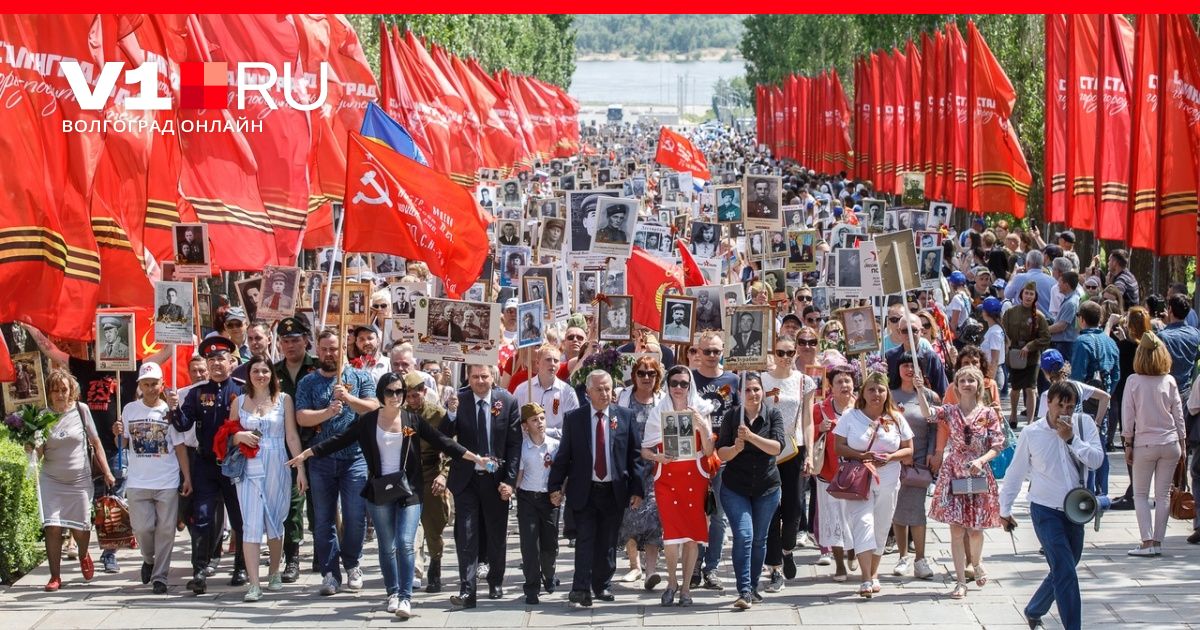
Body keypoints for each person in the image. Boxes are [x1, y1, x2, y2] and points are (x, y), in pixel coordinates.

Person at [288, 372, 487, 618]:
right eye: (390, 392)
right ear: (381, 394)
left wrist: (475, 457)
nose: (395, 396)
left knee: (405, 542)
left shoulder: (411, 420)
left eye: (399, 391)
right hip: (380, 490)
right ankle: (392, 592)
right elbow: (338, 440)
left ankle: (405, 597)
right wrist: (306, 455)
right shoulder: (368, 421)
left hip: (409, 489)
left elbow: (444, 442)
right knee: (386, 546)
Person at [999, 382, 1104, 630]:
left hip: (1076, 509)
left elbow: (1097, 460)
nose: (1064, 412)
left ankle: (1034, 608)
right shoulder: (1032, 432)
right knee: (1066, 571)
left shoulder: (1083, 425)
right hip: (1045, 509)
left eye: (1070, 406)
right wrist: (1005, 509)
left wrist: (1072, 440)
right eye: (1060, 406)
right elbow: (1015, 472)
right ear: (1049, 402)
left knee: (1065, 566)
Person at [548, 370, 645, 608]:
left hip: (614, 490)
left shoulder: (624, 416)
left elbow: (635, 455)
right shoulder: (575, 418)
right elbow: (564, 455)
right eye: (599, 389)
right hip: (585, 490)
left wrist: (637, 488)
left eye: (608, 389)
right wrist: (555, 485)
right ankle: (580, 588)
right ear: (588, 391)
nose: (604, 394)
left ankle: (601, 585)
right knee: (585, 540)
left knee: (607, 541)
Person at [294, 330, 380, 597]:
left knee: (355, 517)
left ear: (343, 347)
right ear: (317, 350)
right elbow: (301, 417)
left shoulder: (361, 376)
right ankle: (330, 572)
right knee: (323, 519)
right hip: (321, 459)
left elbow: (374, 407)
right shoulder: (309, 382)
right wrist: (327, 411)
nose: (329, 354)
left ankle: (352, 562)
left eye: (333, 348)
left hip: (354, 458)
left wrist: (349, 399)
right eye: (324, 349)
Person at [169, 336, 248, 593]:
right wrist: (173, 409)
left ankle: (241, 567)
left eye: (220, 359)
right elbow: (182, 425)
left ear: (231, 362)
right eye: (211, 359)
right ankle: (199, 571)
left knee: (238, 518)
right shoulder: (196, 392)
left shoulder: (241, 389)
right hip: (205, 464)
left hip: (234, 463)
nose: (215, 363)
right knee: (202, 517)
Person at [917, 366, 1004, 599]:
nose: (966, 384)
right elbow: (928, 414)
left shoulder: (988, 414)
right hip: (954, 472)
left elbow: (997, 444)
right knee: (956, 529)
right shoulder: (950, 411)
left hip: (977, 474)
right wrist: (919, 390)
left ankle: (976, 562)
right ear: (956, 386)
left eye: (971, 381)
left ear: (979, 386)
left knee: (975, 530)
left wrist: (981, 460)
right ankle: (960, 581)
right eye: (962, 380)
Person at [225, 356, 306, 601]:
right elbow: (227, 435)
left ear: (272, 375)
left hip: (277, 463)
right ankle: (254, 583)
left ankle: (273, 572)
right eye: (256, 371)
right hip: (248, 466)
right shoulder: (238, 401)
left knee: (275, 520)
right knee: (250, 524)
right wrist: (240, 436)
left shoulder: (284, 400)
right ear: (248, 375)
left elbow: (291, 436)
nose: (260, 375)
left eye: (265, 371)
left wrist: (300, 468)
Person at [441, 364, 521, 607]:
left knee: (496, 533)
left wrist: (509, 481)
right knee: (466, 533)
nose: (480, 381)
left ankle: (496, 581)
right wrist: (451, 414)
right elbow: (444, 439)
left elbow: (514, 445)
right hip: (466, 479)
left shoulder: (507, 401)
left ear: (493, 376)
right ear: (468, 377)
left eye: (484, 376)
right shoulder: (459, 399)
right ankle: (468, 589)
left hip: (495, 480)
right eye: (475, 376)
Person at [833, 371, 914, 598]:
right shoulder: (851, 416)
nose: (876, 394)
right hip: (859, 478)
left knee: (881, 526)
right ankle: (866, 578)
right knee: (863, 524)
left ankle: (874, 573)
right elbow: (839, 446)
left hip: (888, 479)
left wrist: (890, 457)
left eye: (880, 390)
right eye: (871, 390)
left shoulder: (896, 418)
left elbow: (909, 449)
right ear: (863, 393)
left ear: (887, 392)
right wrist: (861, 455)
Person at [640, 365, 716, 606]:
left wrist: (702, 426)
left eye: (684, 383)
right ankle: (671, 583)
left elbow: (708, 450)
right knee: (672, 535)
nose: (679, 388)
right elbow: (645, 450)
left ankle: (686, 589)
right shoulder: (658, 411)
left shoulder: (702, 409)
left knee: (692, 536)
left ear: (690, 385)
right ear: (667, 385)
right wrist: (657, 457)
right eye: (674, 383)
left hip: (695, 475)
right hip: (667, 477)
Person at [34, 369, 115, 591]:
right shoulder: (41, 417)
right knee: (52, 527)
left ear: (71, 391)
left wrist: (107, 472)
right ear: (49, 393)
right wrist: (30, 444)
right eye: (55, 390)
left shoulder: (81, 410)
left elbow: (96, 442)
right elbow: (38, 454)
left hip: (79, 479)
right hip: (51, 480)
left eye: (64, 390)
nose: (60, 394)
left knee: (81, 528)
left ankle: (83, 554)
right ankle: (55, 576)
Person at [117, 363, 189, 595]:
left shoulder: (168, 411)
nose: (150, 388)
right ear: (139, 385)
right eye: (146, 384)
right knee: (142, 528)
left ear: (162, 385)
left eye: (154, 384)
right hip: (138, 481)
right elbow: (124, 444)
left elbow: (179, 447)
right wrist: (117, 432)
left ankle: (160, 577)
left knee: (166, 530)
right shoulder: (129, 409)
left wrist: (186, 476)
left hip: (166, 481)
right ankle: (148, 559)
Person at [715, 371, 783, 609]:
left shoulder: (773, 413)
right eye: (747, 390)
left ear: (763, 390)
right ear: (739, 393)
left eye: (756, 389)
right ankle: (743, 590)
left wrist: (752, 437)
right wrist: (736, 447)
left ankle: (753, 587)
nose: (753, 394)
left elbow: (777, 448)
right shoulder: (733, 417)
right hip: (736, 487)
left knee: (759, 539)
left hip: (767, 488)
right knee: (744, 536)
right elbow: (721, 452)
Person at [760, 335, 817, 592]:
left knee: (793, 507)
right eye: (780, 352)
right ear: (774, 352)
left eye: (789, 352)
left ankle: (788, 548)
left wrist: (811, 454)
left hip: (795, 448)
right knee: (770, 506)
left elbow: (808, 420)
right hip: (768, 449)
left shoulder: (805, 381)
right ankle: (774, 566)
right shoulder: (762, 380)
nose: (785, 357)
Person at [1121, 332, 1186, 556]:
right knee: (1163, 495)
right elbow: (1178, 415)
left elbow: (1128, 415)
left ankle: (1147, 541)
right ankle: (1158, 542)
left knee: (1140, 494)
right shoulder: (1169, 381)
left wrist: (1127, 442)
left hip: (1145, 443)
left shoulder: (1133, 381)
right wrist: (1182, 442)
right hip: (1170, 443)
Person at [691, 331, 738, 590]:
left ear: (723, 352)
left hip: (723, 457)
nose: (711, 356)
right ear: (697, 351)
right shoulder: (690, 379)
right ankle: (694, 563)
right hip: (696, 457)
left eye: (716, 351)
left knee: (718, 516)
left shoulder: (732, 379)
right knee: (697, 514)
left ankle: (712, 567)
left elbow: (738, 413)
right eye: (706, 351)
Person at [272, 317, 317, 583]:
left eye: (295, 340)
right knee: (291, 505)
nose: (290, 345)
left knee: (319, 505)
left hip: (317, 444)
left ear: (306, 341)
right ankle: (293, 558)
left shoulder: (319, 368)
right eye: (285, 341)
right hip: (286, 448)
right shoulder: (273, 372)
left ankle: (323, 553)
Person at [614, 357, 665, 589]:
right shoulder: (623, 397)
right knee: (631, 516)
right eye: (642, 373)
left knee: (654, 517)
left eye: (651, 373)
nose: (646, 378)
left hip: (657, 466)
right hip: (630, 465)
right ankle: (635, 565)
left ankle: (651, 569)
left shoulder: (663, 400)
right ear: (634, 375)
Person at [513, 403, 562, 605]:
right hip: (527, 499)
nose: (539, 423)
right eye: (534, 420)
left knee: (550, 543)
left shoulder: (555, 445)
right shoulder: (523, 448)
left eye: (542, 418)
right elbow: (519, 476)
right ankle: (531, 586)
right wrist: (511, 489)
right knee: (530, 544)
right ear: (525, 426)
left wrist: (560, 493)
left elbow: (561, 473)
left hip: (549, 499)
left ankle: (549, 575)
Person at [1002, 281, 1051, 427]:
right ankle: (1013, 415)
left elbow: (1045, 337)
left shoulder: (1039, 316)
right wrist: (1008, 345)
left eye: (1032, 294)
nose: (1028, 296)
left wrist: (1031, 346)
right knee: (1015, 388)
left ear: (1035, 297)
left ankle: (1030, 421)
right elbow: (1003, 332)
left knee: (1031, 388)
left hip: (1032, 357)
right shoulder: (1011, 312)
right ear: (1021, 294)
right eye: (1026, 293)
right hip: (1015, 356)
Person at [1049, 271, 1081, 358]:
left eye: (1060, 282)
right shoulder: (1068, 300)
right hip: (1063, 344)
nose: (1058, 285)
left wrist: (1044, 330)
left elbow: (1061, 326)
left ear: (1066, 285)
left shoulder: (1071, 303)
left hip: (1065, 345)